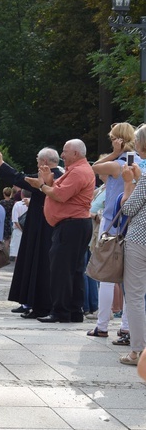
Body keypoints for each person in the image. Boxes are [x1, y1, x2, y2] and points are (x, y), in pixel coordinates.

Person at [25, 139, 95, 323]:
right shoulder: (76, 170)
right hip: (75, 224)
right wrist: (49, 180)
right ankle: (73, 311)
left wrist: (40, 185)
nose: (62, 155)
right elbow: (59, 188)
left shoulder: (78, 171)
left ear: (76, 154)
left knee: (61, 270)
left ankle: (60, 312)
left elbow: (60, 195)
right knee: (74, 269)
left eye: (65, 151)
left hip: (71, 225)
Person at [0, 147, 63, 318]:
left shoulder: (48, 176)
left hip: (42, 226)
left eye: (38, 159)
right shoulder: (61, 174)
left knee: (40, 265)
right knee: (39, 265)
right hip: (47, 224)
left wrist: (0, 162)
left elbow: (19, 178)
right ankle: (37, 305)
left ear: (44, 162)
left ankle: (40, 306)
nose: (36, 162)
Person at [88, 123, 139, 340]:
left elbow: (94, 167)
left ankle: (102, 325)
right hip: (135, 224)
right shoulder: (141, 163)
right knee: (132, 280)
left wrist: (115, 153)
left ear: (116, 139)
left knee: (107, 276)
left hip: (112, 224)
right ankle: (127, 327)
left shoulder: (117, 165)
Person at [119, 123, 146, 366]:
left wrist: (130, 183)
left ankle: (138, 350)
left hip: (140, 240)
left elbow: (128, 208)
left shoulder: (145, 178)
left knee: (135, 296)